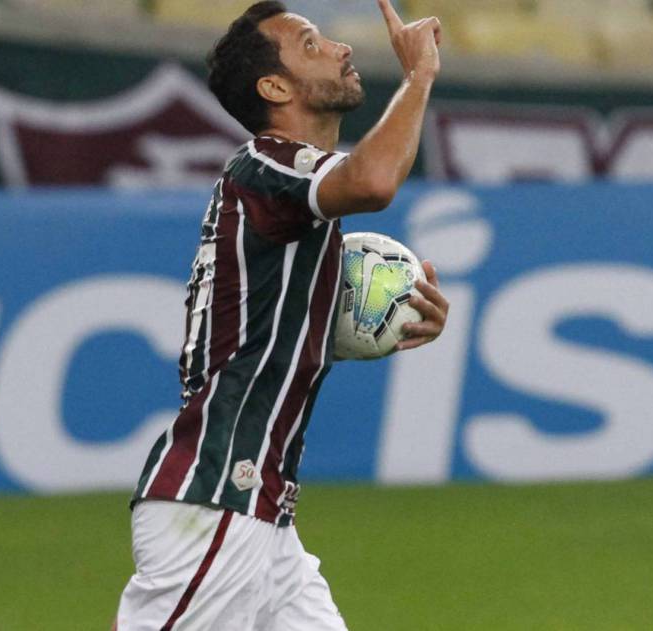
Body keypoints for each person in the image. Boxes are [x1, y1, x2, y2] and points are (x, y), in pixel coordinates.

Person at [115, 1, 446, 629]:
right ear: (274, 86)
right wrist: (418, 77)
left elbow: (259, 329)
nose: (341, 48)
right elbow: (373, 181)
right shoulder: (267, 165)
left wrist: (392, 317)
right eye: (313, 43)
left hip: (265, 520)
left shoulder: (282, 191)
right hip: (216, 504)